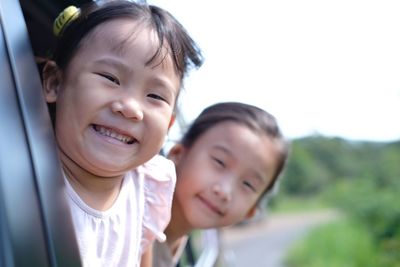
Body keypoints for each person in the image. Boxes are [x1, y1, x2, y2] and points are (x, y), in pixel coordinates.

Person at [41, 1, 203, 266]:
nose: (130, 108)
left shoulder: (147, 188)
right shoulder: (21, 173)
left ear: (170, 123)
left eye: (154, 96)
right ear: (55, 82)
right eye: (110, 78)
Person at [152, 102, 289, 267]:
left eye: (248, 184)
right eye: (219, 162)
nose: (225, 191)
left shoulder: (172, 241)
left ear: (251, 210)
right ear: (177, 154)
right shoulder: (128, 226)